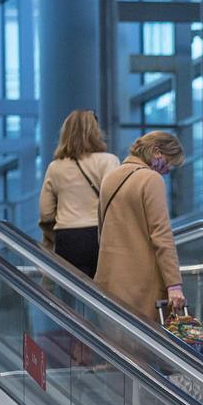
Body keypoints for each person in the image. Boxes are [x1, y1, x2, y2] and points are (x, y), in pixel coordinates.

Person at [94, 132, 186, 322]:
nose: (168, 170)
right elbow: (161, 235)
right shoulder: (151, 179)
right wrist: (174, 284)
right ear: (156, 151)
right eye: (169, 162)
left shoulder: (109, 178)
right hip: (142, 287)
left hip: (108, 280)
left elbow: (101, 230)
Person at [38, 110, 120, 277]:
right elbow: (117, 202)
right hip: (102, 236)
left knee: (71, 295)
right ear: (95, 132)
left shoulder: (55, 167)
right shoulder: (109, 161)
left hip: (68, 238)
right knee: (106, 295)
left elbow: (45, 213)